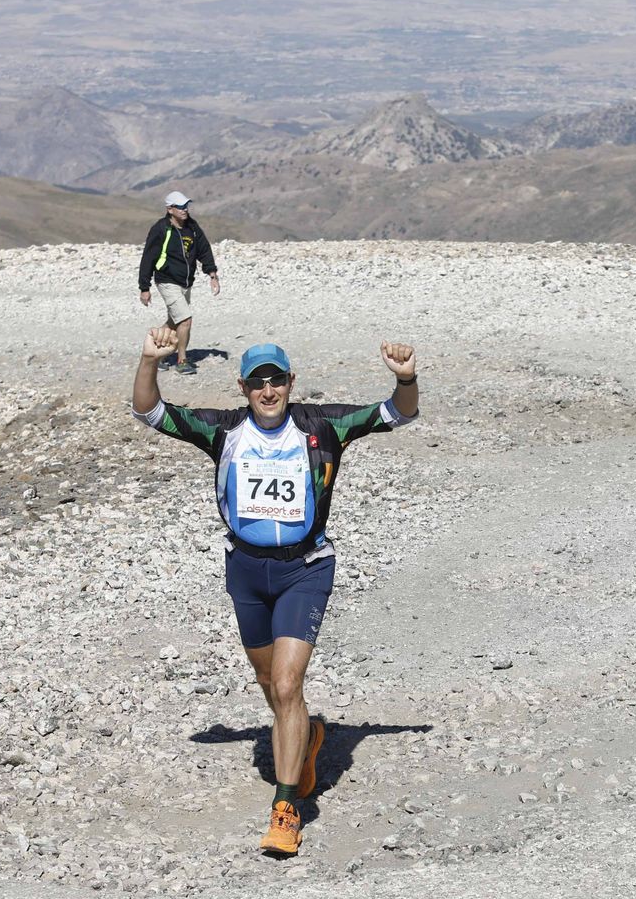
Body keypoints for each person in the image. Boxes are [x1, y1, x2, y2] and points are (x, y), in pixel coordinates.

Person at [131, 327, 420, 855]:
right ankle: (305, 737)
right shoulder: (224, 430)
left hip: (305, 570)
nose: (269, 391)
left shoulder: (321, 425)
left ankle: (286, 811)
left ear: (291, 382)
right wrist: (150, 360)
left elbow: (396, 414)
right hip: (246, 571)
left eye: (277, 381)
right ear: (243, 388)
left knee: (287, 685)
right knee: (269, 682)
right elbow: (149, 412)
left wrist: (405, 379)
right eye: (258, 383)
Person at [138, 191, 220, 376]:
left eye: (186, 206)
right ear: (170, 209)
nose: (185, 210)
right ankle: (182, 361)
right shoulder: (161, 229)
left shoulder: (192, 226)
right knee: (185, 320)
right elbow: (148, 257)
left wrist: (212, 274)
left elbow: (204, 250)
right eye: (180, 207)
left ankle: (153, 354)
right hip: (167, 280)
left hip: (186, 282)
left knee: (175, 322)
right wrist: (144, 287)